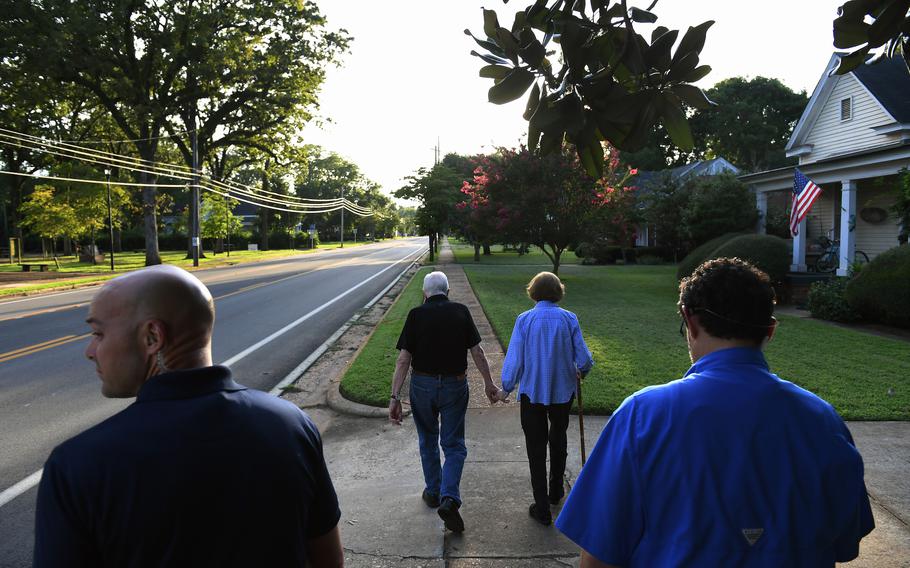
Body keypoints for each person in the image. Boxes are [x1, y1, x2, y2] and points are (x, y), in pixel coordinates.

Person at [555, 257, 874, 567]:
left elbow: (598, 556)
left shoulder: (642, 416)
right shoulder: (824, 421)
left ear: (689, 321)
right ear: (770, 330)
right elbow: (845, 545)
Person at [34, 265, 344, 568]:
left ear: (153, 337)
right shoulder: (292, 424)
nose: (90, 350)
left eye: (98, 333)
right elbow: (327, 557)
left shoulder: (77, 465)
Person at [388, 270, 503, 533]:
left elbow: (403, 359)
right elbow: (477, 351)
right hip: (455, 385)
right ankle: (449, 498)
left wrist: (394, 397)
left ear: (424, 293)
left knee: (427, 439)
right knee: (453, 445)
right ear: (448, 292)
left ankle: (433, 492)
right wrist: (488, 383)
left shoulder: (416, 315)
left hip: (422, 385)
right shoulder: (461, 311)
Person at [500, 271, 593, 526]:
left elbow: (515, 359)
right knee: (558, 438)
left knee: (536, 447)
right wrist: (581, 371)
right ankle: (556, 491)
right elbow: (584, 360)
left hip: (532, 393)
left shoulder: (524, 320)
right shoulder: (569, 318)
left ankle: (542, 506)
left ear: (533, 291)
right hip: (562, 392)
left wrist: (505, 388)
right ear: (557, 292)